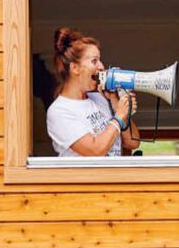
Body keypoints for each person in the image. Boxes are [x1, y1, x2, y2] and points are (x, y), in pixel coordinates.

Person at [46, 27, 141, 157]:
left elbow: (132, 142)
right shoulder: (60, 111)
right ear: (75, 68)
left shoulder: (100, 99)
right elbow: (95, 150)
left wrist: (115, 104)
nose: (101, 67)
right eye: (94, 61)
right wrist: (118, 117)